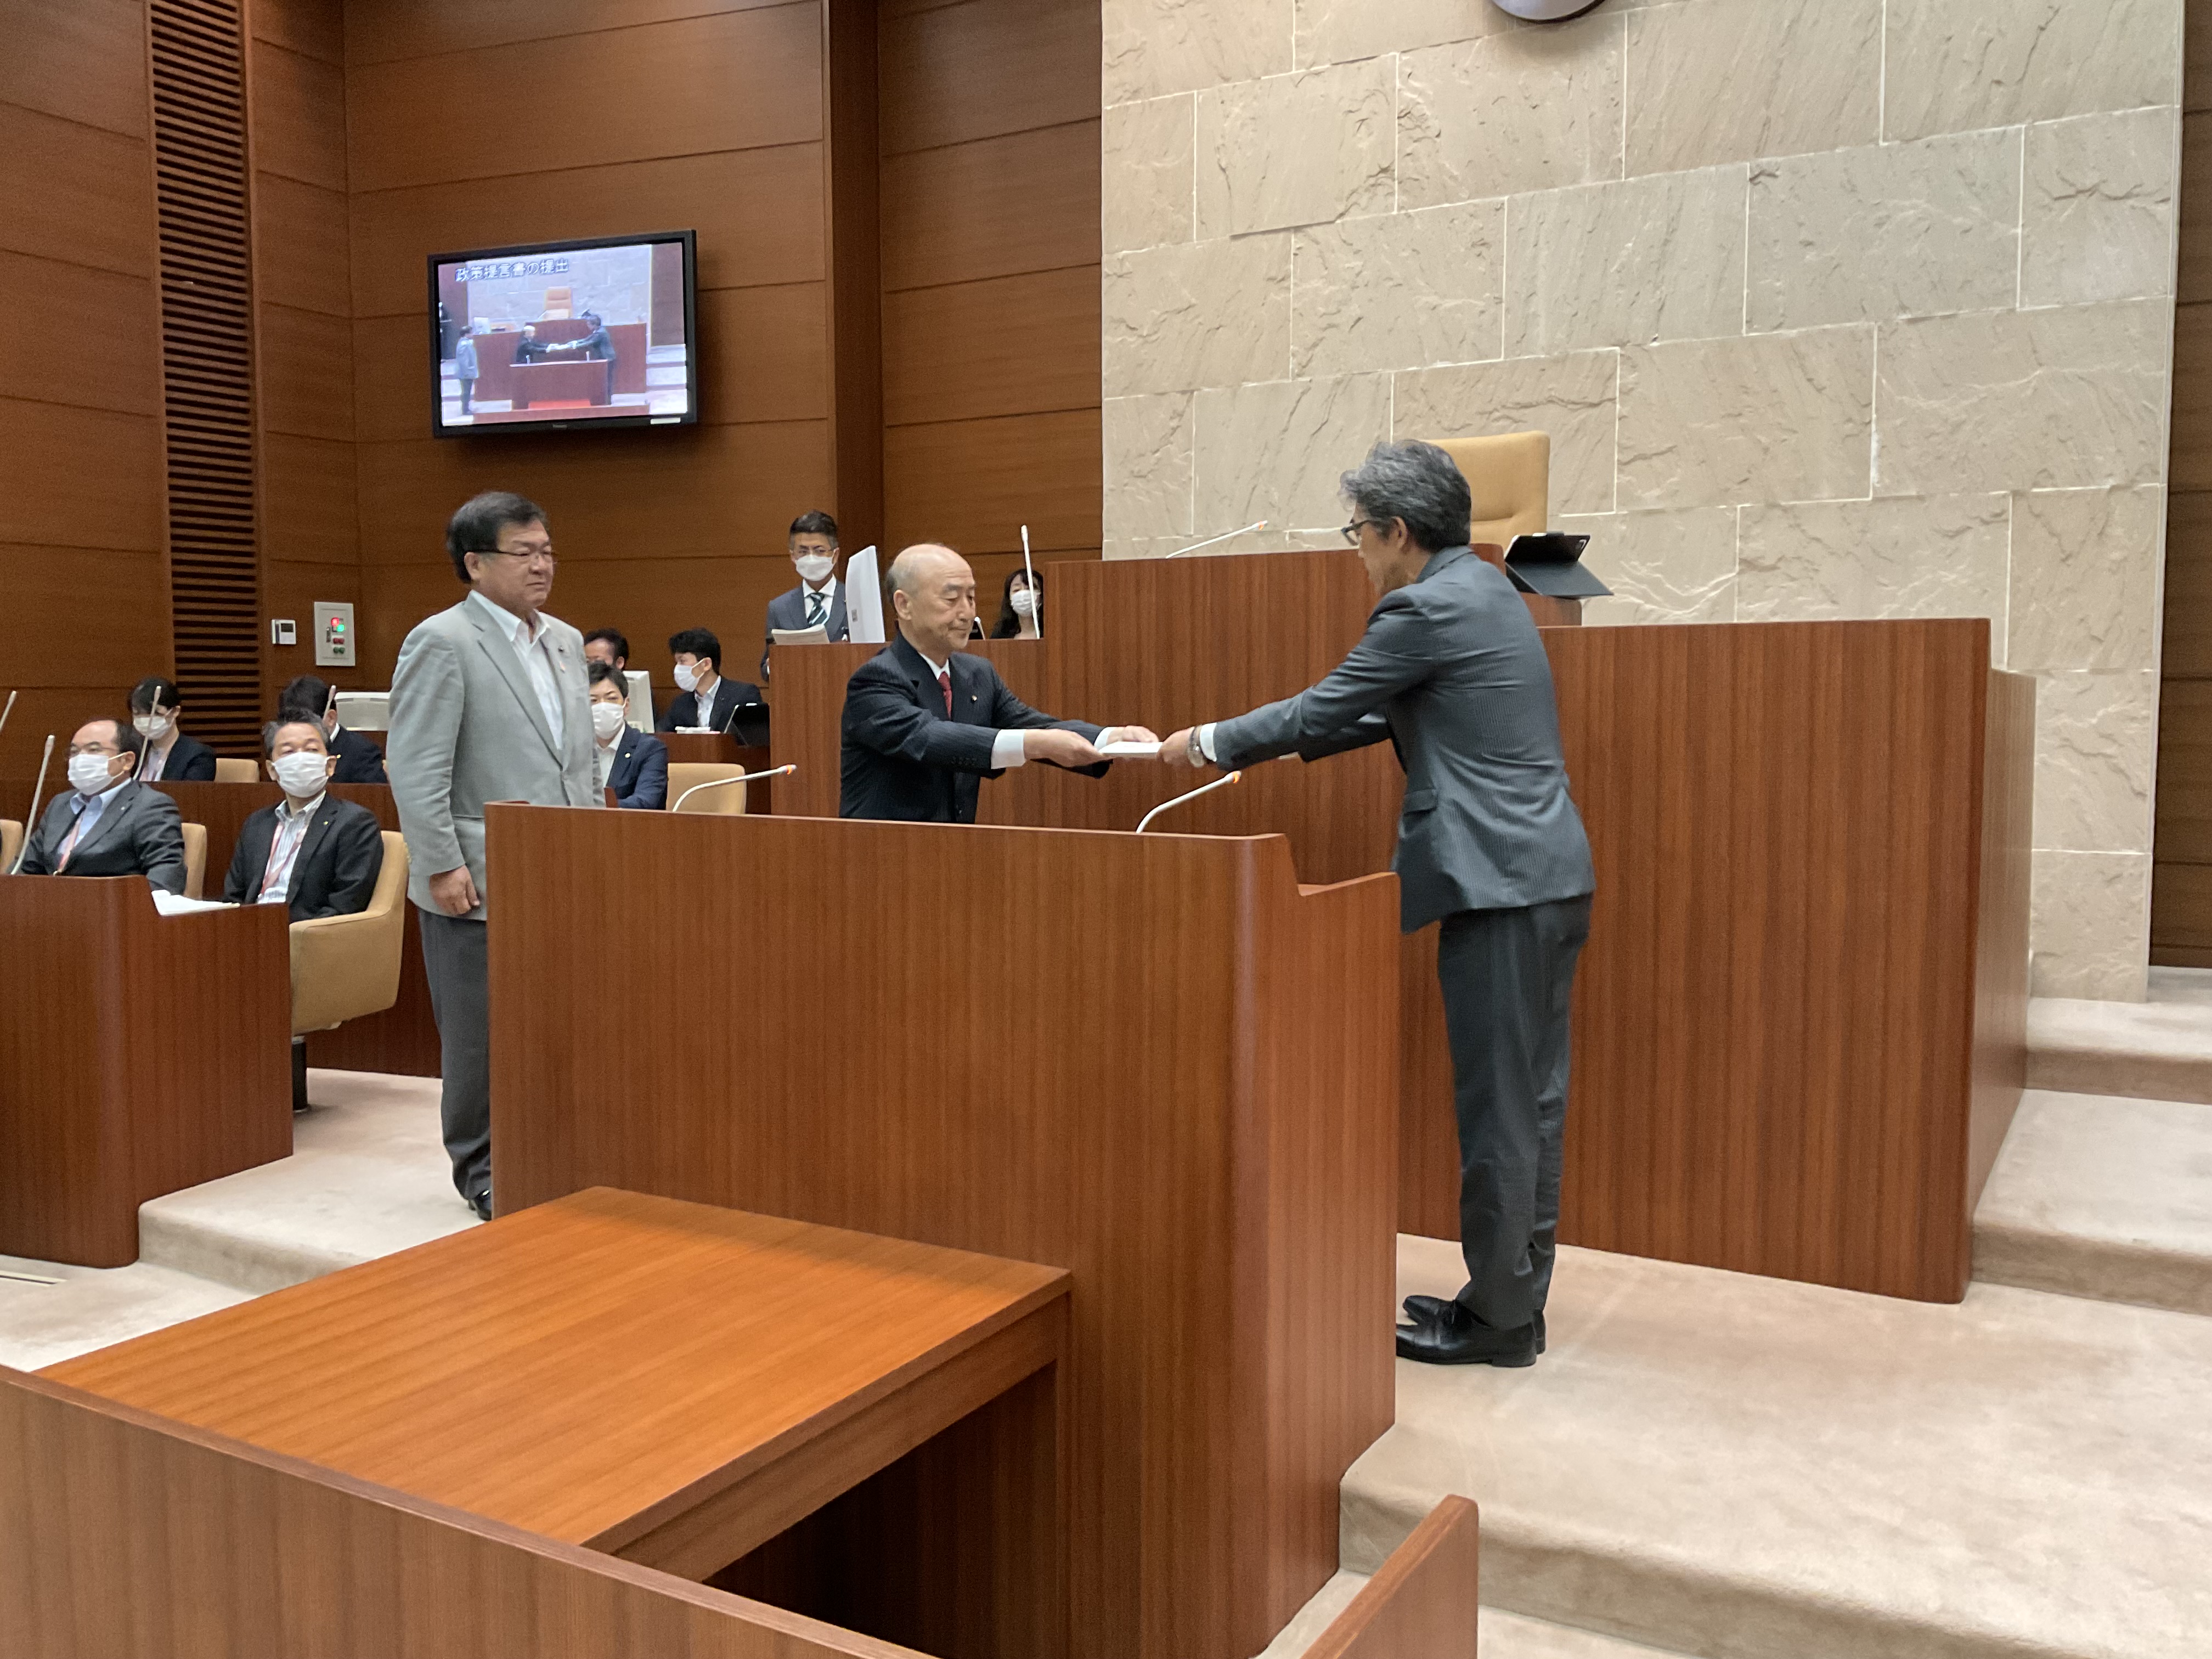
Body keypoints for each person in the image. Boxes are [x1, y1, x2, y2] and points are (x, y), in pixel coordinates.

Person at [1160, 441, 1594, 1369]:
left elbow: (1325, 706)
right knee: (1532, 1101)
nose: (1355, 549)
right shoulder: (1484, 590)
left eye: (1357, 532)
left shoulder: (1421, 606)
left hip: (1497, 881)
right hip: (1547, 871)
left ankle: (1499, 1323)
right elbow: (1377, 711)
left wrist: (1203, 742)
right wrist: (1266, 745)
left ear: (1398, 531)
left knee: (1500, 1109)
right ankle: (1511, 1300)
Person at [388, 490, 597, 1222]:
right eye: (524, 552)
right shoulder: (442, 641)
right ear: (475, 564)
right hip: (476, 875)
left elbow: (580, 764)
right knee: (478, 1036)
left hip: (562, 869)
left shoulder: (566, 640)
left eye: (547, 551)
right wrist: (440, 863)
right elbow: (416, 766)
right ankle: (481, 1169)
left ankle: (556, 1149)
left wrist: (595, 845)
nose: (542, 565)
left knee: (559, 1022)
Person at [839, 543, 1152, 823]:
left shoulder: (976, 673)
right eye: (951, 598)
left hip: (954, 851)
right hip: (883, 854)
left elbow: (1031, 724)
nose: (967, 612)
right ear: (904, 605)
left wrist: (1110, 738)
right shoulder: (876, 679)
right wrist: (1034, 745)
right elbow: (929, 738)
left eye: (971, 597)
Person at [223, 718, 383, 921]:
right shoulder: (257, 824)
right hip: (251, 930)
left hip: (307, 932)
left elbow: (346, 904)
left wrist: (297, 932)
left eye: (311, 750)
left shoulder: (355, 823)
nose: (300, 759)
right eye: (288, 752)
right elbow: (233, 896)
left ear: (330, 765)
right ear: (273, 771)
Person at [16, 718, 188, 890]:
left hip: (113, 904)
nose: (80, 759)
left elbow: (165, 875)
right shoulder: (60, 804)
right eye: (74, 752)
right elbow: (26, 868)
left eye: (94, 750)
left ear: (127, 761)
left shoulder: (150, 806)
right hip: (50, 903)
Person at [760, 510, 849, 675]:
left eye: (819, 551)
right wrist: (774, 665)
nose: (811, 558)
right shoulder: (779, 608)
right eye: (803, 551)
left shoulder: (855, 600)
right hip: (798, 688)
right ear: (793, 556)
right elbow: (766, 669)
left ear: (835, 555)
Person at [277, 674, 387, 785]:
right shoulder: (280, 749)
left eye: (307, 724)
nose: (298, 732)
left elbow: (372, 795)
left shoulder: (363, 753)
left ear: (331, 718)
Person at [589, 659, 667, 809]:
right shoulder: (572, 749)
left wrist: (591, 807)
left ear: (626, 705)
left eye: (612, 699)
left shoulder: (650, 749)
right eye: (593, 700)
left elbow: (645, 802)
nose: (603, 706)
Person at [656, 627, 759, 732]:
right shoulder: (681, 703)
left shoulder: (743, 695)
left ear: (706, 664)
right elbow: (662, 735)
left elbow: (754, 736)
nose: (677, 668)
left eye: (682, 661)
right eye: (677, 662)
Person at [128, 677, 217, 782]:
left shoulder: (199, 756)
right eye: (137, 713)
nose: (146, 719)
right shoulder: (134, 751)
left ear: (175, 711)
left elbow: (190, 792)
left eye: (155, 713)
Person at [989, 566, 1043, 639]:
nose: (1023, 594)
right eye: (1017, 590)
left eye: (1029, 589)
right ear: (1009, 599)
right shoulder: (1000, 636)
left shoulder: (1054, 634)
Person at [454, 326, 479, 417]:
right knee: (466, 392)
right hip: (465, 373)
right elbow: (464, 361)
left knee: (467, 391)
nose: (472, 334)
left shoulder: (465, 343)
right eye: (471, 333)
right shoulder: (464, 344)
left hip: (467, 372)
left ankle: (466, 408)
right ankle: (465, 410)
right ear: (466, 334)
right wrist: (467, 372)